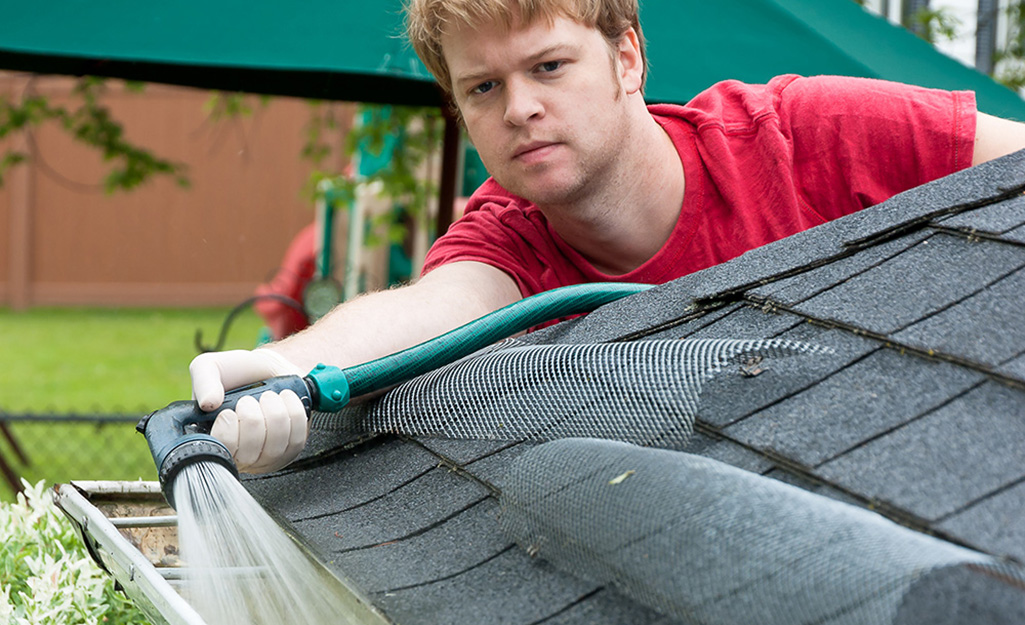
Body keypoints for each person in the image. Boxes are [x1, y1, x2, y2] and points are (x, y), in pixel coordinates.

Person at [190, 0, 1025, 474]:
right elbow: (436, 307)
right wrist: (291, 365)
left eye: (548, 67)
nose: (519, 108)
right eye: (483, 87)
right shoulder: (506, 240)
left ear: (627, 58)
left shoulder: (808, 134)